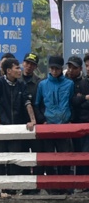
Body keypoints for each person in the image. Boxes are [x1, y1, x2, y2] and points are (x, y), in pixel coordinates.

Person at [36, 54, 76, 184]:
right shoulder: (42, 84)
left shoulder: (69, 84)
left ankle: (64, 184)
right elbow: (37, 104)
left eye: (57, 69)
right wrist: (42, 120)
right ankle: (51, 185)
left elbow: (72, 103)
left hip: (64, 125)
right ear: (49, 68)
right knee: (49, 156)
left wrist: (71, 119)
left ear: (61, 69)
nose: (54, 71)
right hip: (48, 126)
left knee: (65, 156)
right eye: (52, 68)